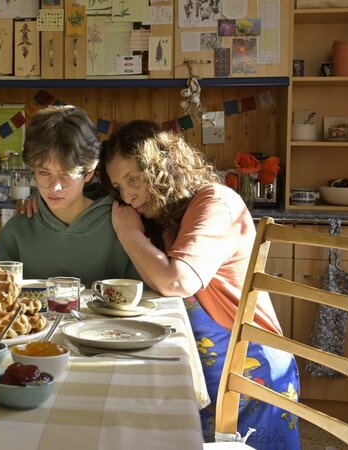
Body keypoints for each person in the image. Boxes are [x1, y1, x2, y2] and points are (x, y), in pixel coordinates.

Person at [99, 120, 300, 449]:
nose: (128, 195)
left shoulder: (215, 203)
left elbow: (178, 280)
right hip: (203, 371)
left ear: (163, 166)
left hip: (249, 374)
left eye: (133, 179)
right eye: (119, 187)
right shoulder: (167, 216)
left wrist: (127, 232)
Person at [0, 105, 140, 287]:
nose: (55, 187)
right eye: (44, 173)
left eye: (66, 174)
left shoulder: (123, 224)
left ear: (89, 172)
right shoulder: (17, 229)